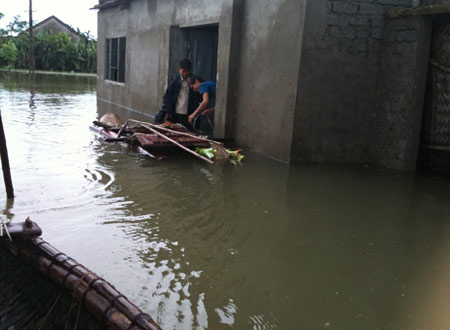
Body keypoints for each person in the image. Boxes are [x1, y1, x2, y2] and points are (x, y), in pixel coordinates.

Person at [154, 59, 200, 127]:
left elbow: (197, 97)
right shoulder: (174, 81)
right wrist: (167, 110)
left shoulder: (194, 81)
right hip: (175, 112)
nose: (185, 73)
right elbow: (168, 96)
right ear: (179, 69)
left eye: (187, 71)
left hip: (188, 113)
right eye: (183, 71)